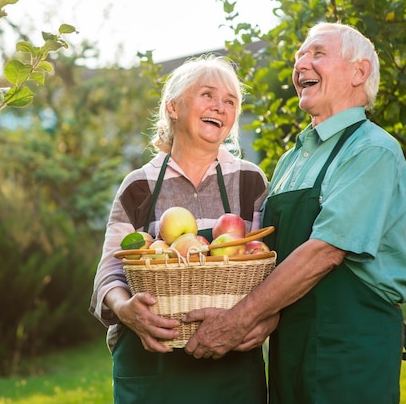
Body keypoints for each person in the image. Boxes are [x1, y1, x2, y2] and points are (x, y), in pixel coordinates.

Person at [183, 23, 406, 403]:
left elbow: (325, 252)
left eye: (317, 54)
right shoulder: (292, 159)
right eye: (299, 57)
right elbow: (264, 252)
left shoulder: (371, 149)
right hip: (290, 341)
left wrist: (237, 320)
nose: (301, 65)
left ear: (359, 72)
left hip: (349, 346)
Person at [89, 54, 277, 403]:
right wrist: (126, 309)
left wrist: (268, 320)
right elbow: (109, 274)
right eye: (208, 95)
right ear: (173, 107)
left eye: (230, 101)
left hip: (230, 371)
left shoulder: (249, 180)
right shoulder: (139, 185)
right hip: (153, 372)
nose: (220, 106)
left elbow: (268, 267)